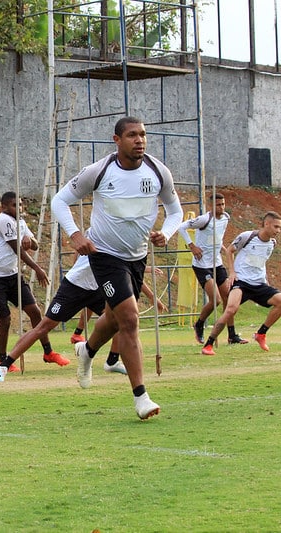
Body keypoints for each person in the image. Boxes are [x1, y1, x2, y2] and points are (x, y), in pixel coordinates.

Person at [51, 115, 183, 420]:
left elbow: (175, 211)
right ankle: (142, 397)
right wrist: (75, 234)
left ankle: (87, 350)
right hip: (105, 255)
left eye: (143, 135)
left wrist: (167, 232)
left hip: (137, 256)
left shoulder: (158, 171)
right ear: (117, 140)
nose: (140, 140)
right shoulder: (99, 171)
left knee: (112, 318)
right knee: (130, 319)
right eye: (132, 135)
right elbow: (59, 200)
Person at [0, 254, 167, 381]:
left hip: (96, 289)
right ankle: (5, 364)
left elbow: (125, 272)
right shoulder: (101, 233)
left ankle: (112, 361)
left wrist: (153, 297)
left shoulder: (119, 238)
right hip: (74, 287)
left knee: (121, 321)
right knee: (43, 327)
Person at [0, 192, 66, 373]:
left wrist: (30, 240)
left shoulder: (21, 222)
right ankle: (3, 359)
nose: (19, 208)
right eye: (14, 205)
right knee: (5, 320)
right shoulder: (4, 220)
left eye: (20, 205)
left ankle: (48, 352)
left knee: (35, 312)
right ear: (4, 207)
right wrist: (37, 269)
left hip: (12, 276)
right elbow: (17, 249)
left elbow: (34, 245)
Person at [201, 211, 281, 355]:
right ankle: (208, 344)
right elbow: (230, 250)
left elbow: (261, 262)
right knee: (231, 310)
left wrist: (265, 279)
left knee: (280, 301)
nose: (278, 231)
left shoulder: (272, 243)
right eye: (276, 227)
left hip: (258, 284)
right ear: (266, 224)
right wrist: (232, 272)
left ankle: (261, 334)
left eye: (279, 228)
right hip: (241, 282)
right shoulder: (248, 236)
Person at [178, 193, 247, 345]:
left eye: (223, 204)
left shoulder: (226, 218)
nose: (221, 207)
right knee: (215, 300)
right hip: (202, 266)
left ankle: (232, 335)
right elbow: (182, 227)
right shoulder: (204, 219)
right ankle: (200, 324)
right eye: (218, 205)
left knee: (229, 299)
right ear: (211, 206)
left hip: (217, 263)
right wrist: (192, 246)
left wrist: (221, 247)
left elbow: (217, 236)